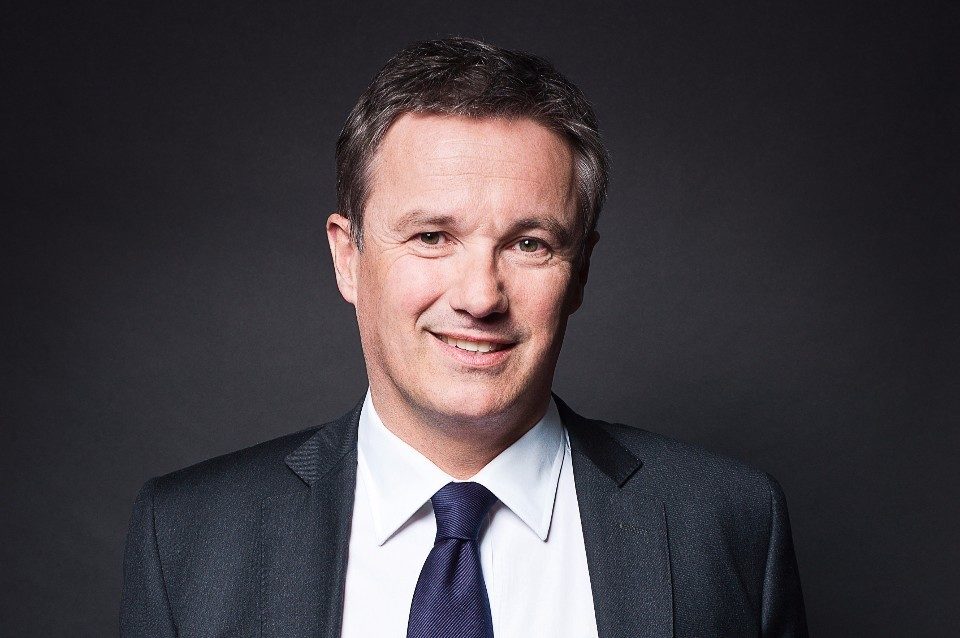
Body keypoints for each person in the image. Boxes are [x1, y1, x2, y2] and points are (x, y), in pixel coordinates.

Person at [120, 37, 807, 637]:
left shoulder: (727, 520)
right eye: (431, 236)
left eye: (530, 244)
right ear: (348, 257)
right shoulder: (186, 536)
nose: (480, 297)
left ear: (581, 271)